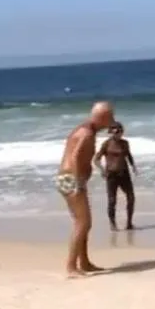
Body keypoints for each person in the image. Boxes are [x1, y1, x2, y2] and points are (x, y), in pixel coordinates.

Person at [55, 101, 115, 278]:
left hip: (68, 178)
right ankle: (71, 267)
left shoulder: (85, 129)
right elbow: (75, 157)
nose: (112, 121)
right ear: (103, 118)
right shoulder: (87, 133)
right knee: (83, 223)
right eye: (110, 117)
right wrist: (77, 183)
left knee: (82, 223)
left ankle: (85, 263)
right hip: (70, 179)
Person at [93, 121, 137, 231]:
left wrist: (133, 166)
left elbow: (129, 156)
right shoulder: (107, 144)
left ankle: (129, 223)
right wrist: (102, 170)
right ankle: (113, 224)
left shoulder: (125, 143)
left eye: (120, 131)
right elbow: (96, 159)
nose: (118, 134)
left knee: (131, 198)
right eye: (116, 132)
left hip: (124, 173)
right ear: (111, 132)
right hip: (111, 175)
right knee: (112, 200)